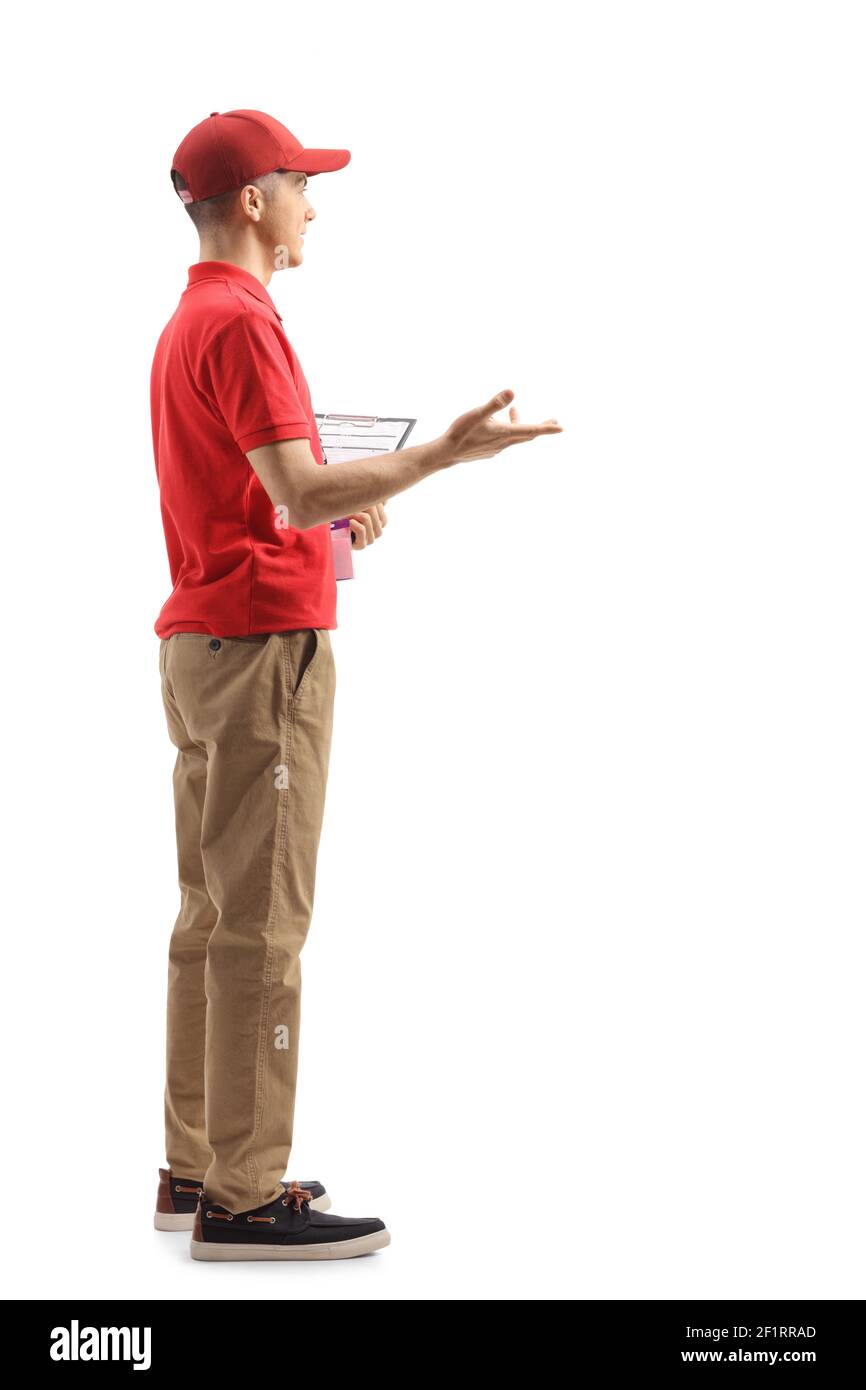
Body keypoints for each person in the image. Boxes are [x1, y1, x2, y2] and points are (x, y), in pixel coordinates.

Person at [150, 109, 563, 1262]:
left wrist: (329, 518)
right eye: (297, 186)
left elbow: (260, 503)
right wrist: (438, 455)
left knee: (209, 917)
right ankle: (244, 1195)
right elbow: (294, 485)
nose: (310, 206)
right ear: (250, 202)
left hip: (202, 645)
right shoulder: (244, 322)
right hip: (261, 657)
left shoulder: (192, 320)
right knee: (264, 926)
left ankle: (194, 1163)